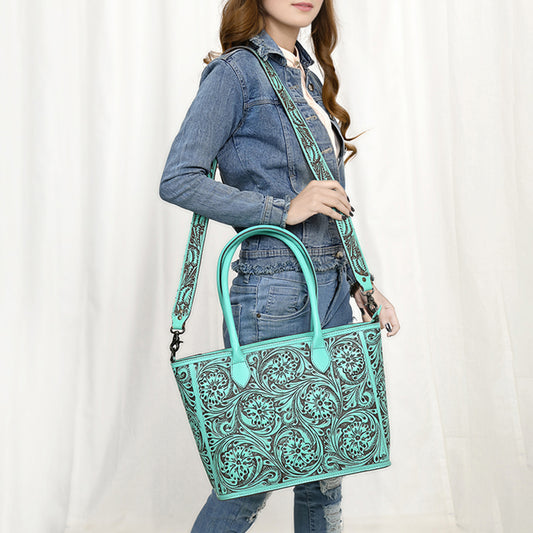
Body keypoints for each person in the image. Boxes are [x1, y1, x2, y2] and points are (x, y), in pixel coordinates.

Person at [159, 1, 400, 531]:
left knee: (326, 470)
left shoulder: (306, 77)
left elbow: (327, 203)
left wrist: (361, 282)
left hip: (331, 288)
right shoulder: (236, 73)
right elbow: (178, 178)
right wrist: (281, 210)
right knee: (253, 478)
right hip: (276, 291)